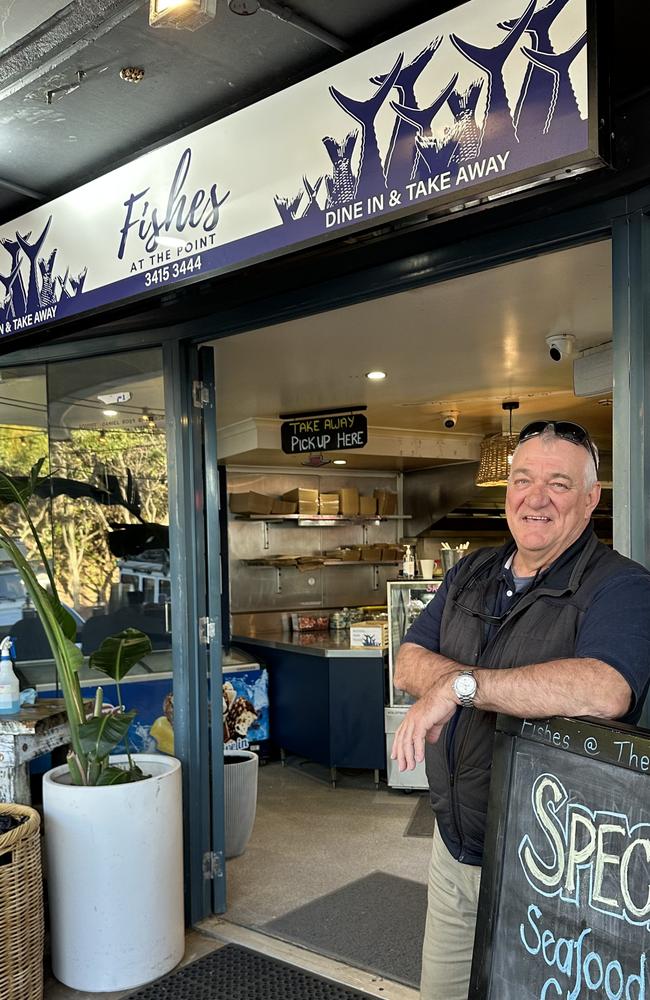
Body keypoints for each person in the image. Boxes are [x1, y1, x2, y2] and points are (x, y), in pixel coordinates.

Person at [391, 420, 650, 1000]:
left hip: (550, 873)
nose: (535, 498)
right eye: (522, 479)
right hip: (453, 847)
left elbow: (604, 688)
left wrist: (458, 688)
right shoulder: (472, 572)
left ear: (590, 499)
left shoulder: (622, 587)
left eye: (558, 483)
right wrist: (461, 681)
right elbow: (407, 661)